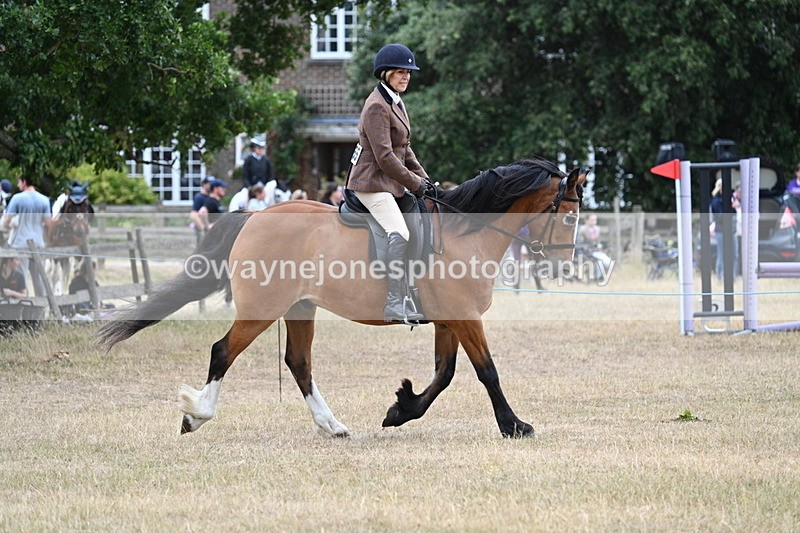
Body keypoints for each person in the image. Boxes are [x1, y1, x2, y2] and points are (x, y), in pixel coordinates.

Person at [345, 43, 433, 323]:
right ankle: (394, 302)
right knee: (400, 232)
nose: (405, 76)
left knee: (420, 217)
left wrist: (426, 181)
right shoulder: (376, 106)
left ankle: (416, 289)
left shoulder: (395, 100)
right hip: (371, 184)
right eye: (399, 72)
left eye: (408, 72)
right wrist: (414, 183)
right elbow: (384, 157)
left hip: (389, 184)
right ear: (384, 74)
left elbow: (404, 149)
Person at [1, 176, 51, 296]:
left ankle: (25, 305)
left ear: (24, 182)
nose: (18, 185)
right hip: (38, 242)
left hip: (20, 242)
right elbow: (48, 223)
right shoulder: (44, 200)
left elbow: (6, 220)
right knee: (38, 277)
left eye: (19, 182)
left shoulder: (17, 198)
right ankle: (41, 306)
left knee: (22, 275)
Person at [577, 213, 613, 280]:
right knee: (605, 262)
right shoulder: (583, 229)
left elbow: (598, 241)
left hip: (598, 251)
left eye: (595, 219)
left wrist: (599, 246)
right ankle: (598, 278)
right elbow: (580, 242)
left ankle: (599, 277)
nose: (594, 221)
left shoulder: (597, 229)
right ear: (586, 220)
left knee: (604, 262)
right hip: (587, 251)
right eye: (592, 219)